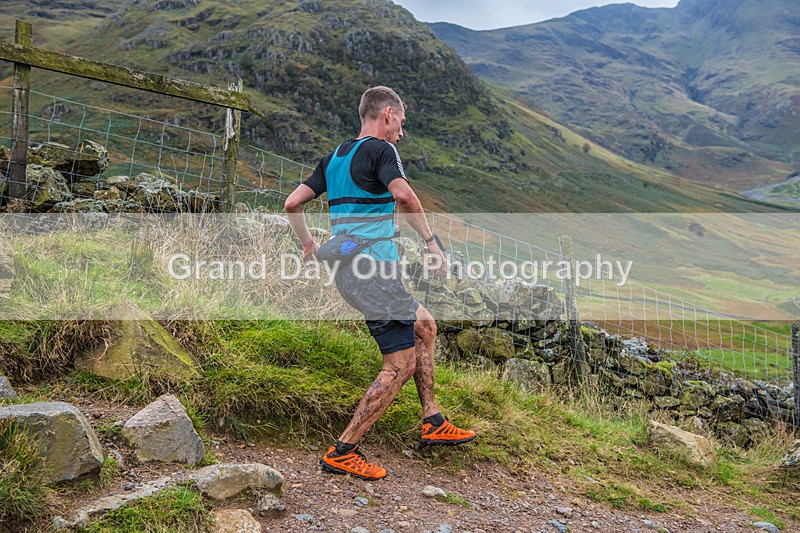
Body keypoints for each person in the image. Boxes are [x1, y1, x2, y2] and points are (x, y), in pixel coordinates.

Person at [284, 86, 476, 481]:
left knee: (424, 326)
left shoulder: (333, 158)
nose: (401, 133)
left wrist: (308, 244)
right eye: (401, 123)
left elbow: (292, 203)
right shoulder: (381, 151)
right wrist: (430, 243)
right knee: (399, 364)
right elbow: (405, 196)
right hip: (374, 272)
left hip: (350, 272)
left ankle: (433, 420)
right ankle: (344, 450)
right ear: (387, 114)